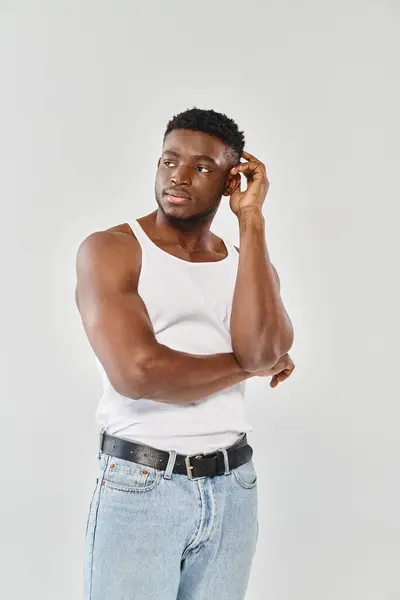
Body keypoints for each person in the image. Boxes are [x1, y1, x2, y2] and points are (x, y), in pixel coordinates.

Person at [75, 107, 295, 600]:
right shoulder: (113, 249)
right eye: (169, 160)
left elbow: (268, 346)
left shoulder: (247, 265)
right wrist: (249, 366)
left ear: (229, 181)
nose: (178, 175)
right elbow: (140, 373)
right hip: (141, 486)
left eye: (200, 167)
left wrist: (252, 220)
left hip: (234, 488)